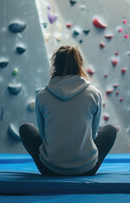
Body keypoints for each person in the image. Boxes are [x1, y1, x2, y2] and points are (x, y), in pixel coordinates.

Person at [19, 45, 117, 176]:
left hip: (49, 168)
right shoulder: (94, 94)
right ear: (79, 64)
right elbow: (93, 136)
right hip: (86, 169)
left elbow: (43, 136)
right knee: (110, 130)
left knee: (26, 129)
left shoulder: (42, 96)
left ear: (55, 66)